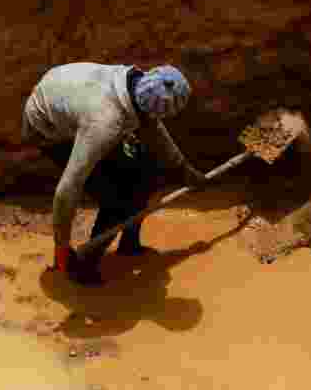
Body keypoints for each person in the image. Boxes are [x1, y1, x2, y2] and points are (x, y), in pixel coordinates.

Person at [21, 62, 208, 286]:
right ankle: (84, 266)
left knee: (146, 171)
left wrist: (184, 169)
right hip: (47, 129)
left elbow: (152, 129)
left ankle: (129, 245)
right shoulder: (105, 124)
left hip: (70, 99)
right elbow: (67, 188)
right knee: (116, 202)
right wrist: (61, 245)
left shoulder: (135, 82)